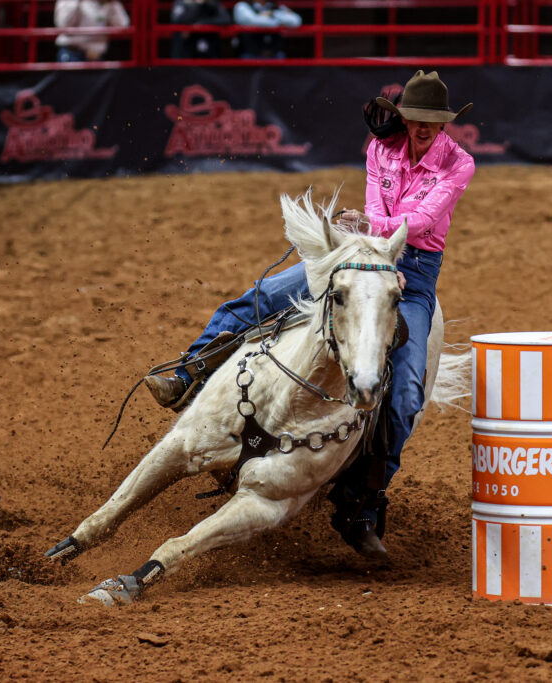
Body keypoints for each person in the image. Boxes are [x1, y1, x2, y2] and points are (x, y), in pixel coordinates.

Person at [145, 70, 475, 558]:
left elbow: (421, 220)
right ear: (404, 118)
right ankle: (190, 368)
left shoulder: (459, 164)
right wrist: (364, 238)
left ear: (444, 124)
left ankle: (360, 500)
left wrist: (367, 230)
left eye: (432, 122)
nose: (423, 129)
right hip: (362, 253)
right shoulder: (380, 148)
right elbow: (372, 207)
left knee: (404, 395)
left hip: (417, 268)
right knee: (263, 296)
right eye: (415, 119)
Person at [54, 0, 130, 62]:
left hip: (97, 56)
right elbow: (63, 26)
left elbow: (123, 26)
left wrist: (113, 3)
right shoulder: (67, 1)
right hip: (72, 54)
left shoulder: (107, 3)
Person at [231, 0, 301, 59]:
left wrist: (272, 14)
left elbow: (295, 21)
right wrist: (280, 20)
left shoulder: (276, 7)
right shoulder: (242, 6)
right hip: (249, 52)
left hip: (273, 52)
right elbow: (253, 21)